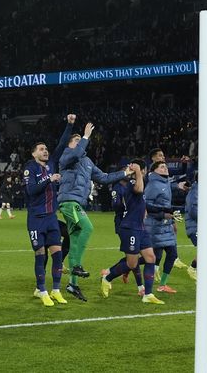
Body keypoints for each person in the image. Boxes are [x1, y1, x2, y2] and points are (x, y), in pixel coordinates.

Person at [58, 122, 131, 301]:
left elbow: (104, 178)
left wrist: (125, 173)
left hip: (78, 203)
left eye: (80, 140)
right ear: (70, 144)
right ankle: (76, 266)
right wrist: (85, 136)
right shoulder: (66, 155)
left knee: (75, 240)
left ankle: (73, 284)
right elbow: (76, 153)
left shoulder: (87, 162)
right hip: (69, 201)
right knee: (87, 227)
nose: (80, 143)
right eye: (76, 140)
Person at [23, 114, 74, 307]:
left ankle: (56, 290)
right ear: (33, 154)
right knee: (40, 255)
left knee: (57, 255)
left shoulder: (52, 163)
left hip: (51, 218)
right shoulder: (30, 168)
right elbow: (31, 190)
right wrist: (48, 179)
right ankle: (42, 290)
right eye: (41, 149)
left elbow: (61, 144)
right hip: (36, 219)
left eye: (46, 149)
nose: (45, 151)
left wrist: (69, 124)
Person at [99, 160, 165, 304]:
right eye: (143, 170)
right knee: (131, 263)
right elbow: (139, 190)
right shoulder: (131, 183)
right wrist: (138, 171)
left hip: (140, 227)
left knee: (151, 258)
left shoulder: (140, 182)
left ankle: (148, 294)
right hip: (130, 228)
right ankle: (107, 278)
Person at [144, 160, 180, 295]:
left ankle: (163, 285)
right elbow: (146, 205)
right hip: (155, 226)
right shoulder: (152, 185)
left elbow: (166, 205)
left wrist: (171, 219)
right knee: (153, 257)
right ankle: (124, 268)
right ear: (154, 171)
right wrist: (163, 214)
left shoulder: (166, 183)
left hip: (166, 226)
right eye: (162, 167)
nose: (165, 168)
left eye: (166, 166)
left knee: (172, 254)